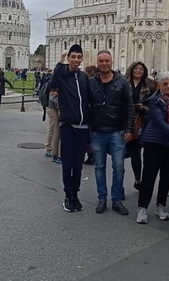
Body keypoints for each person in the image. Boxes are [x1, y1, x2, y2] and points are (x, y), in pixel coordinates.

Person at [136, 71, 169, 224]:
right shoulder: (154, 101)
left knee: (166, 176)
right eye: (164, 83)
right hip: (154, 142)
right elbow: (161, 124)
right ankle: (142, 207)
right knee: (149, 176)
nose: (168, 86)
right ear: (159, 85)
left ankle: (161, 205)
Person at [87, 50, 134, 215]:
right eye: (101, 61)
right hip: (97, 131)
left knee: (119, 167)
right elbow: (87, 106)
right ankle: (102, 198)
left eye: (107, 61)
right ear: (98, 63)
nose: (104, 64)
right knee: (99, 166)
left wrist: (129, 129)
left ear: (111, 62)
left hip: (117, 131)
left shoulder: (122, 83)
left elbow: (130, 107)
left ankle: (116, 200)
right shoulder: (91, 82)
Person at [50, 45, 91, 213]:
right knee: (67, 165)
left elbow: (88, 99)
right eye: (73, 57)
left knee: (78, 165)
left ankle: (75, 195)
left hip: (82, 128)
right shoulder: (63, 75)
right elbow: (53, 84)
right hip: (67, 126)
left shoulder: (83, 77)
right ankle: (68, 195)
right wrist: (60, 63)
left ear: (82, 59)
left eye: (78, 57)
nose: (75, 60)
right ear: (69, 58)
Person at [125, 61, 156, 190]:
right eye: (136, 68)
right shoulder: (124, 83)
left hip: (140, 122)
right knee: (119, 154)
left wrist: (143, 107)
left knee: (135, 152)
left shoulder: (149, 85)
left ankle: (138, 180)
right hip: (125, 121)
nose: (138, 71)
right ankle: (118, 184)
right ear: (131, 70)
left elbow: (152, 105)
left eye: (141, 69)